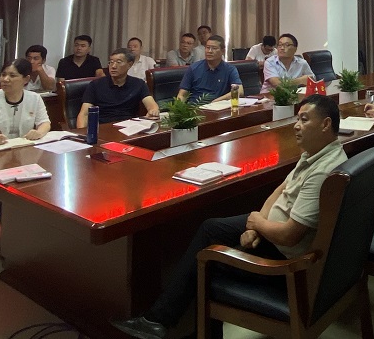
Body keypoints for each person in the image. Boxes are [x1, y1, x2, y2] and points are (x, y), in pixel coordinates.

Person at [111, 95, 349, 339]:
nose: (296, 125)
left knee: (208, 262)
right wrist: (256, 224)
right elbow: (282, 189)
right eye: (297, 118)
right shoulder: (318, 152)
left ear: (325, 124)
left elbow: (289, 236)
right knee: (210, 228)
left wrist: (259, 224)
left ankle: (165, 322)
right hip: (271, 229)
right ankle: (162, 322)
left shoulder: (322, 172)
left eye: (304, 120)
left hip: (285, 259)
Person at [0, 59, 51, 146]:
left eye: (12, 76)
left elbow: (45, 123)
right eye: (3, 75)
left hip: (22, 148)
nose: (5, 79)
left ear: (26, 79)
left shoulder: (35, 98)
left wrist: (38, 133)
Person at [76, 48, 159, 127]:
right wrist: (81, 134)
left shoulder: (138, 84)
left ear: (130, 64)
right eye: (111, 62)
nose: (113, 66)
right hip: (103, 128)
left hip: (129, 127)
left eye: (119, 62)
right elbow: (84, 114)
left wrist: (153, 111)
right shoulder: (95, 85)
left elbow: (151, 105)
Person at [178, 34, 241, 102]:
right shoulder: (194, 68)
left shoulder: (229, 69)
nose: (209, 51)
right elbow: (182, 94)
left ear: (223, 51)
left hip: (218, 105)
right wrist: (179, 107)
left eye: (214, 48)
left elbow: (239, 91)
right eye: (207, 48)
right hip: (196, 106)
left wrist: (216, 101)